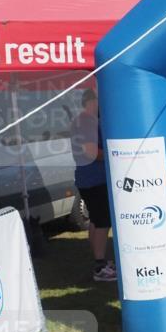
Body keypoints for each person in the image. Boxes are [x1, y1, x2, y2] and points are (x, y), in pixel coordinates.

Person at [70, 88, 116, 282]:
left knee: (97, 220)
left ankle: (101, 262)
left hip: (89, 179)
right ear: (92, 102)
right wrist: (115, 156)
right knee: (103, 220)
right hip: (94, 179)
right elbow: (91, 152)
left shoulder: (84, 120)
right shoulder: (86, 121)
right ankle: (99, 266)